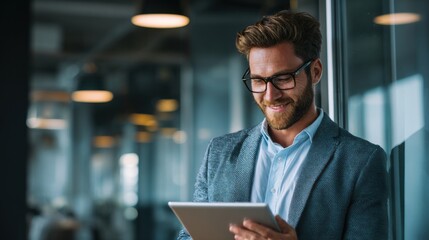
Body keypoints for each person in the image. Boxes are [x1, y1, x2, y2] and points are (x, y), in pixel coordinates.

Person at [178, 10, 388, 240]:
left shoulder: (360, 161)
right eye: (259, 80)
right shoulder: (219, 153)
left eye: (283, 78)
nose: (270, 95)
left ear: (315, 71)